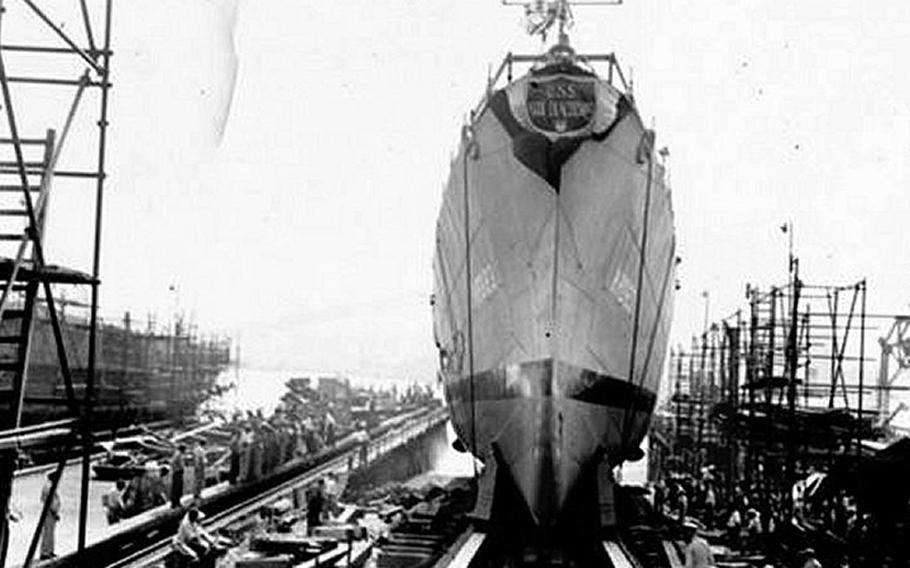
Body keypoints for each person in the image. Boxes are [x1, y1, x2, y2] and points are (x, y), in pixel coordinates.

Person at [39, 471, 61, 560]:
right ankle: (45, 552)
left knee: (50, 532)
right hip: (50, 512)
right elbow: (50, 501)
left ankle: (49, 550)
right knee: (48, 532)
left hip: (50, 512)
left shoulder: (48, 486)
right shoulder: (49, 487)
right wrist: (55, 513)